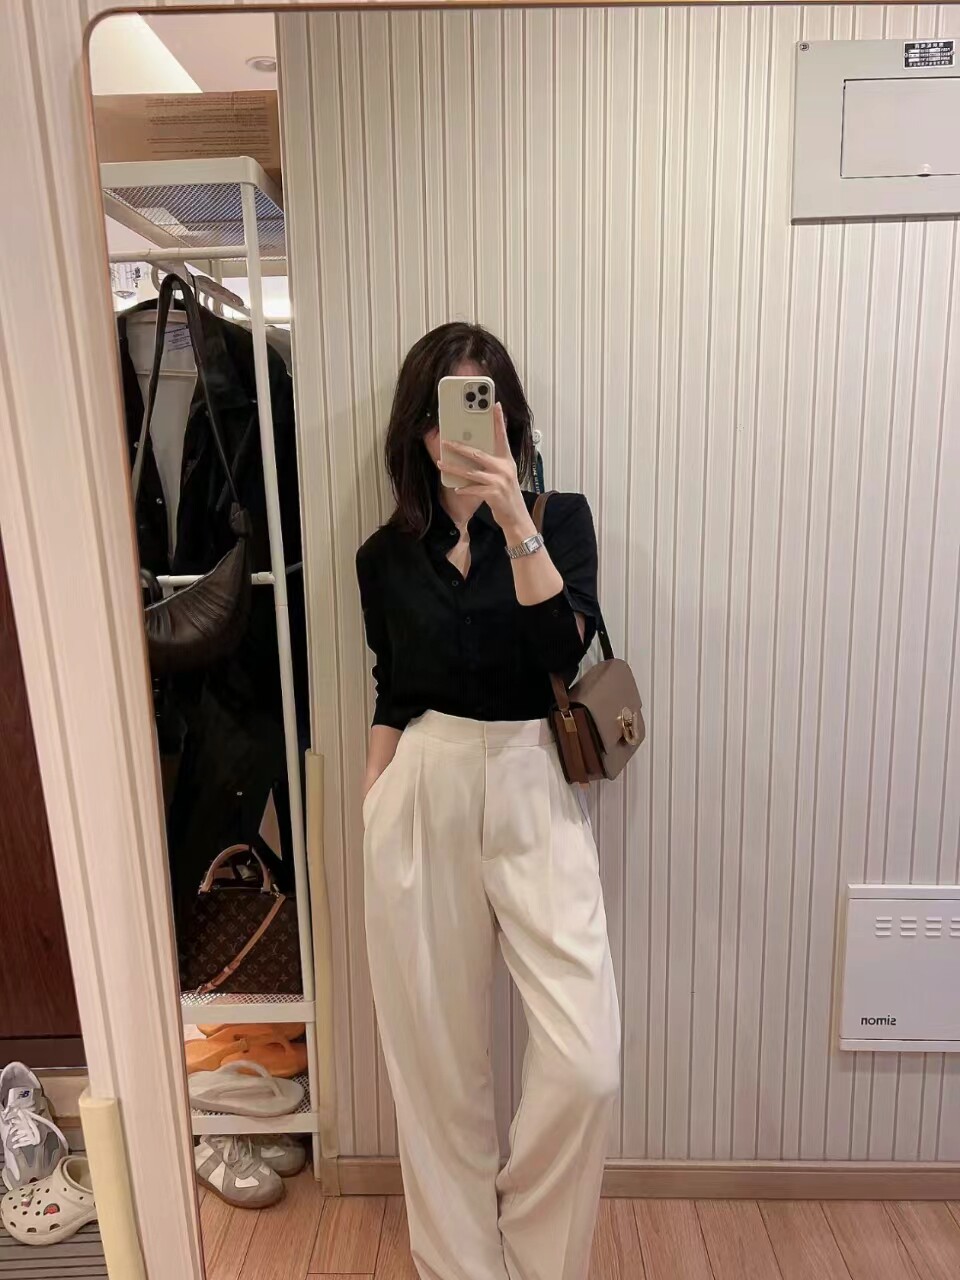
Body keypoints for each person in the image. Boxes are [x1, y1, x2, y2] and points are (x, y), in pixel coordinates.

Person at [356, 322, 621, 1280]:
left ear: (509, 419)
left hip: (530, 782)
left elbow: (562, 651)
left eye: (480, 406)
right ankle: (461, 1267)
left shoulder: (561, 520)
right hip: (420, 788)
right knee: (436, 1067)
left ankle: (534, 1260)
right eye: (442, 413)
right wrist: (373, 803)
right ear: (416, 430)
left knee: (587, 1062)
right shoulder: (385, 556)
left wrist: (515, 518)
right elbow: (392, 686)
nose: (458, 434)